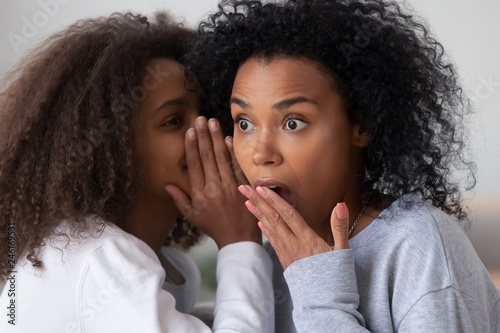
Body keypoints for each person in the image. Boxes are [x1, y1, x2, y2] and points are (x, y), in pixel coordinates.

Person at [185, 0, 500, 332]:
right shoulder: (266, 263)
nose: (261, 153)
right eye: (244, 123)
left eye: (293, 123)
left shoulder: (419, 245)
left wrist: (320, 297)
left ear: (360, 126)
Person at [0, 12, 274, 332]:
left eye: (207, 112)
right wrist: (238, 241)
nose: (206, 128)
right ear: (114, 150)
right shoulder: (100, 257)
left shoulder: (170, 267)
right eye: (173, 120)